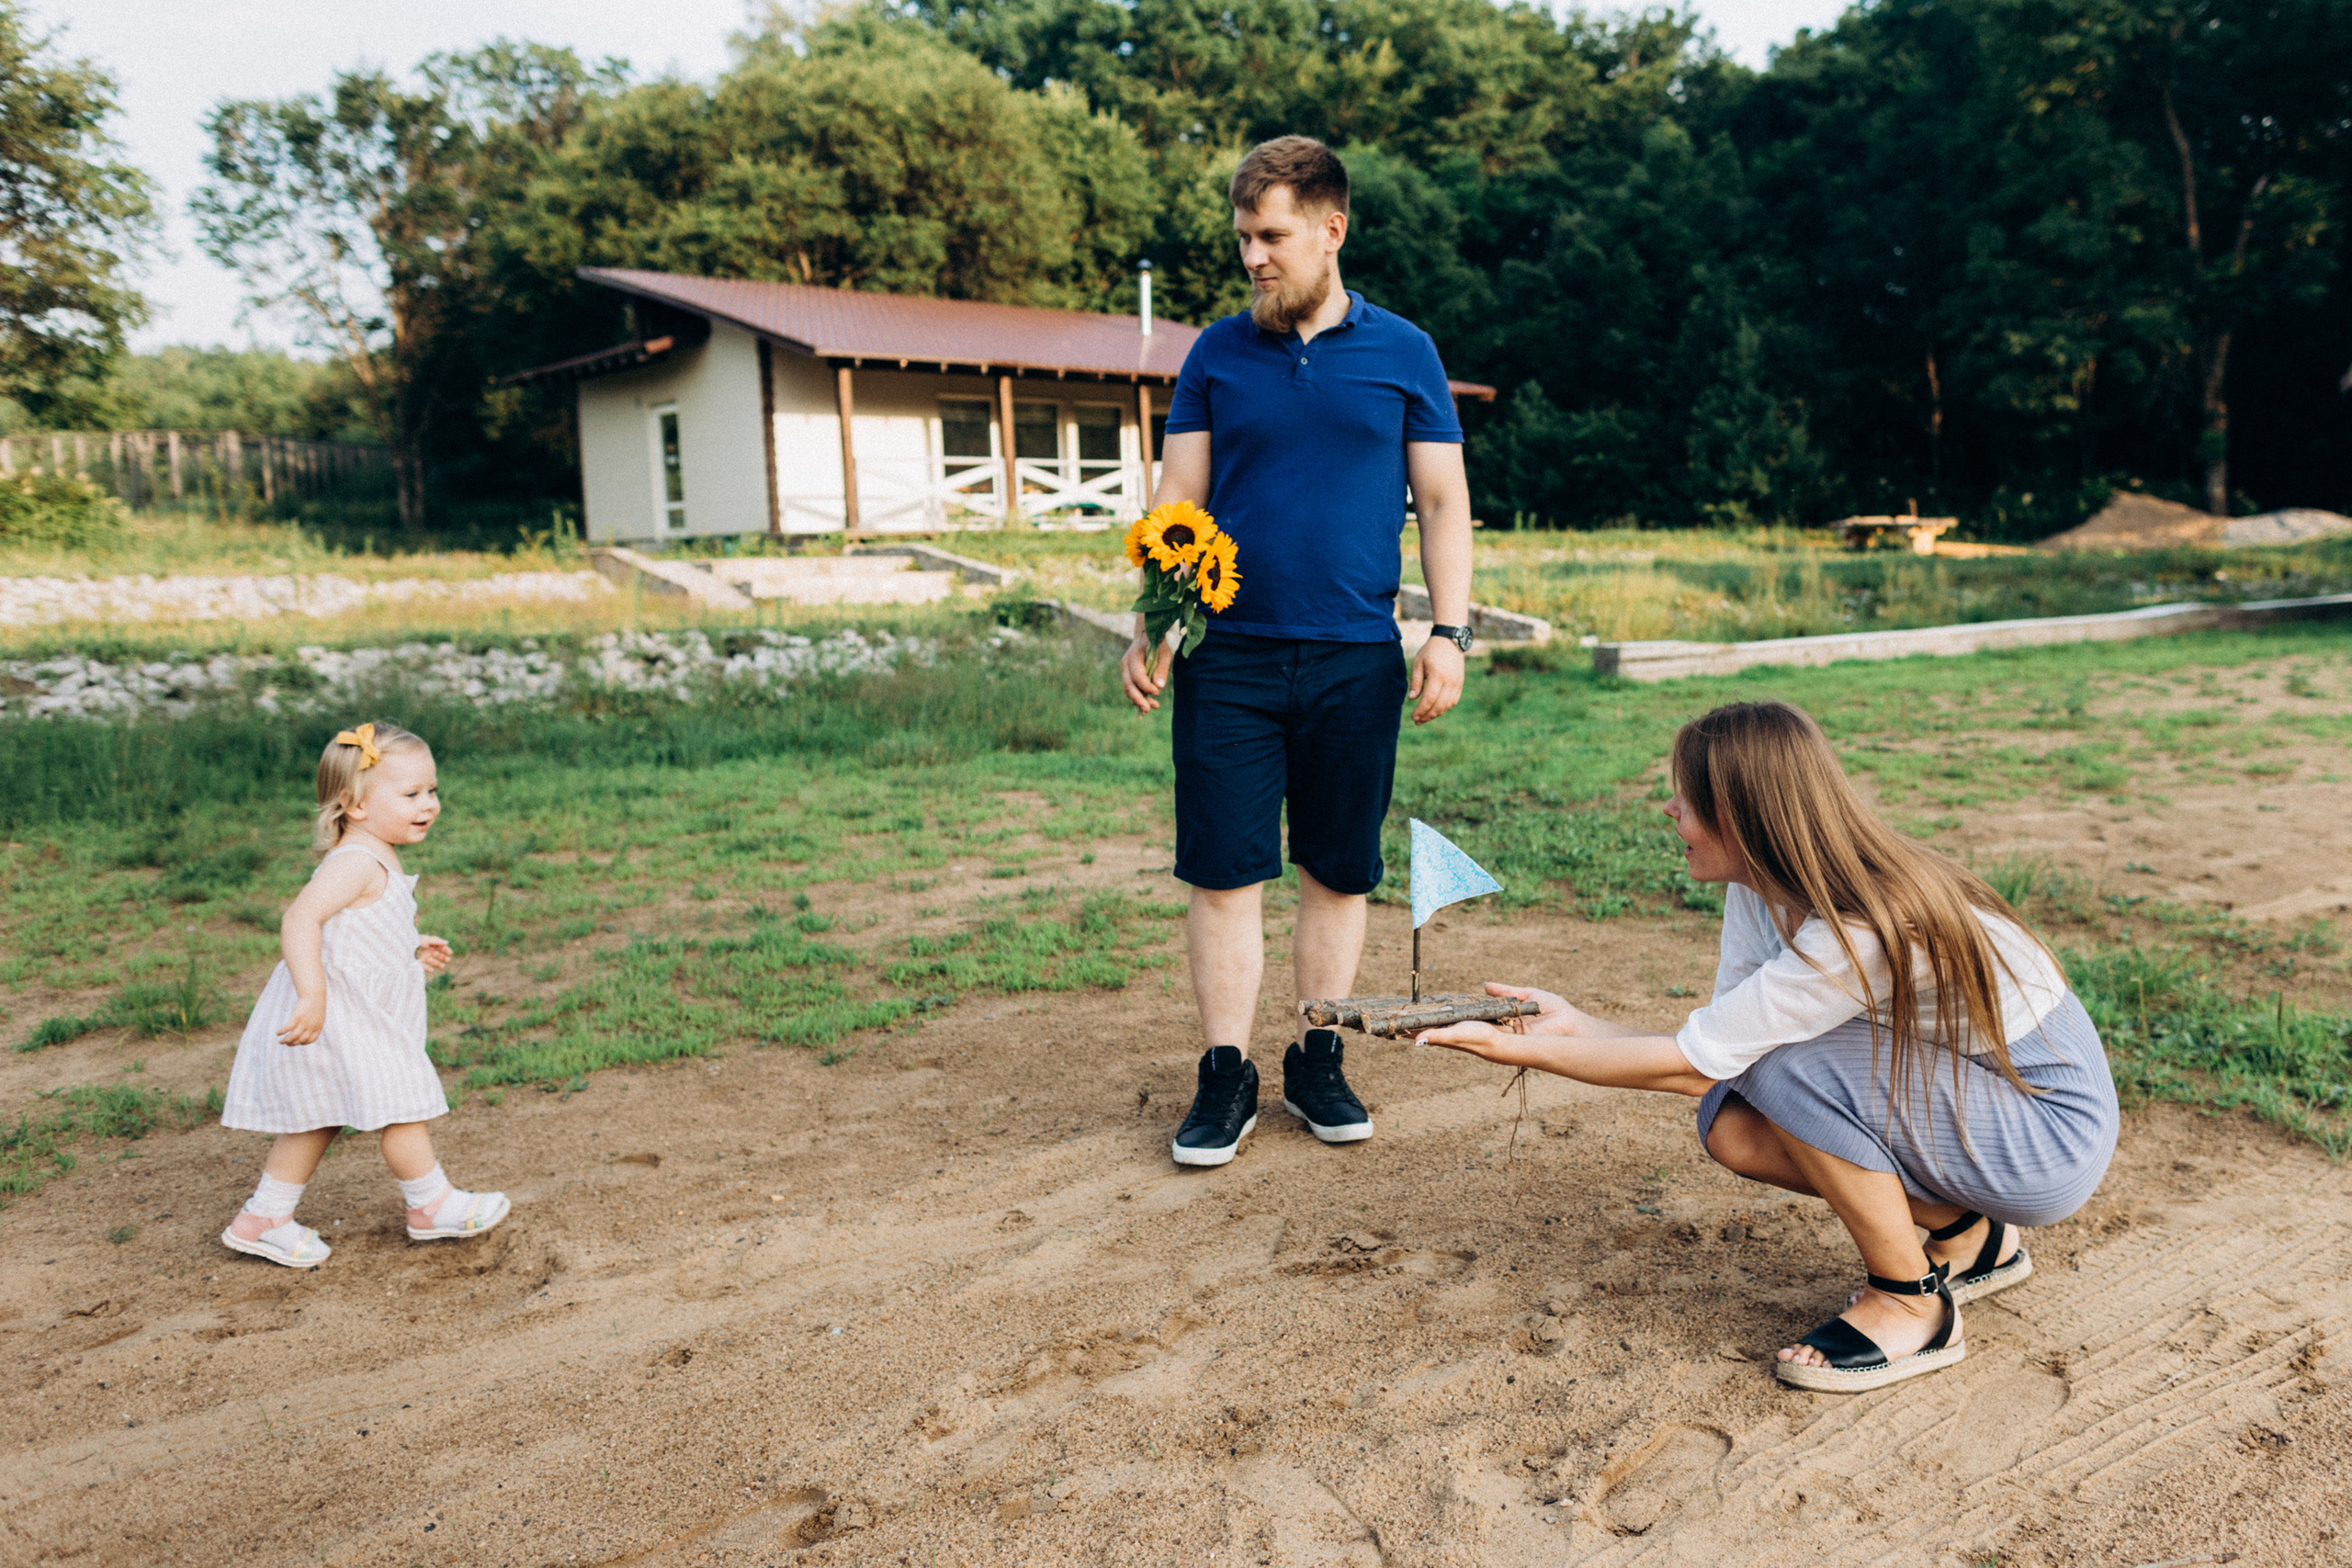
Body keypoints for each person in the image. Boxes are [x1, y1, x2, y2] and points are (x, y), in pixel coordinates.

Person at [1417, 701, 2119, 1392]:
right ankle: (1971, 1235)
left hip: (2048, 1130)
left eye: (1687, 798)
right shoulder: (1763, 888)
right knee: (1733, 1121)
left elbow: (1703, 1061)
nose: (1668, 809)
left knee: (1776, 1065)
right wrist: (1574, 1026)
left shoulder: (1861, 925)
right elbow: (1717, 1047)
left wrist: (1527, 1051)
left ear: (1741, 817)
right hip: (1985, 1095)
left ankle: (1913, 1304)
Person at [1121, 134, 1475, 1168]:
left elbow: (1442, 501)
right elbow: (1177, 500)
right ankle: (1224, 1074)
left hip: (1354, 657)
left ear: (1332, 229)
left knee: (1336, 870)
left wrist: (1449, 631)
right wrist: (1155, 619)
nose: (1252, 257)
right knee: (1224, 872)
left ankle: (1318, 1057)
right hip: (1228, 659)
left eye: (1271, 236)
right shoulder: (1215, 354)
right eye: (1243, 237)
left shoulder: (1404, 351)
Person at [217, 722, 509, 1269]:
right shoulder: (355, 862)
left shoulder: (374, 854)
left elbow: (352, 931)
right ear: (354, 805)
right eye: (411, 794)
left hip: (354, 1015)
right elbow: (300, 918)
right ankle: (431, 1204)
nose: (429, 804)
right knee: (401, 1102)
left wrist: (407, 946)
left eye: (432, 790)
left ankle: (264, 1218)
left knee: (318, 1116)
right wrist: (311, 995)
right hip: (339, 1017)